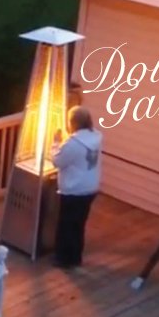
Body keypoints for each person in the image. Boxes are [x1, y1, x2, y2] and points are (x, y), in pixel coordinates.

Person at [50, 106, 102, 269]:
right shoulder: (97, 136)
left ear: (72, 123)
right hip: (90, 187)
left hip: (74, 189)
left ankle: (63, 258)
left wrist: (56, 142)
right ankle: (76, 256)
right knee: (79, 224)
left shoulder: (73, 144)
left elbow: (57, 161)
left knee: (66, 224)